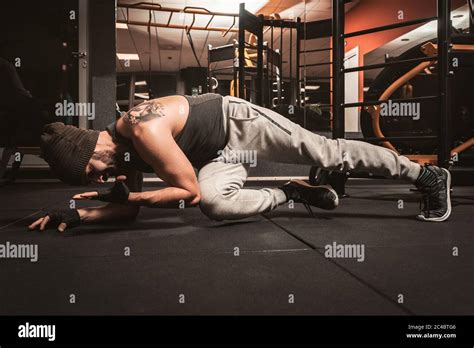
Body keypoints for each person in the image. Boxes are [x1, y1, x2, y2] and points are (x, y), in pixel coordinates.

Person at [29, 93, 451, 232]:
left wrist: (131, 192)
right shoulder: (120, 148)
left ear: (91, 152)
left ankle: (426, 174)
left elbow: (186, 194)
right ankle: (290, 192)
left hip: (239, 124)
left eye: (91, 171)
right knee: (218, 204)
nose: (99, 175)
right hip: (218, 155)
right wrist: (81, 214)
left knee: (326, 151)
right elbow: (128, 211)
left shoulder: (143, 131)